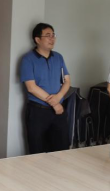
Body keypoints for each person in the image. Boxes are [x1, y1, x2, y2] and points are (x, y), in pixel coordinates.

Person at [20, 23, 71, 154]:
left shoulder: (58, 57)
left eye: (53, 35)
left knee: (62, 151)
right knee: (37, 151)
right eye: (48, 35)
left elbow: (67, 81)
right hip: (38, 111)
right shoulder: (28, 59)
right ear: (37, 39)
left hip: (59, 112)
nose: (52, 38)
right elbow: (31, 87)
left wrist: (59, 98)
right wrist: (55, 103)